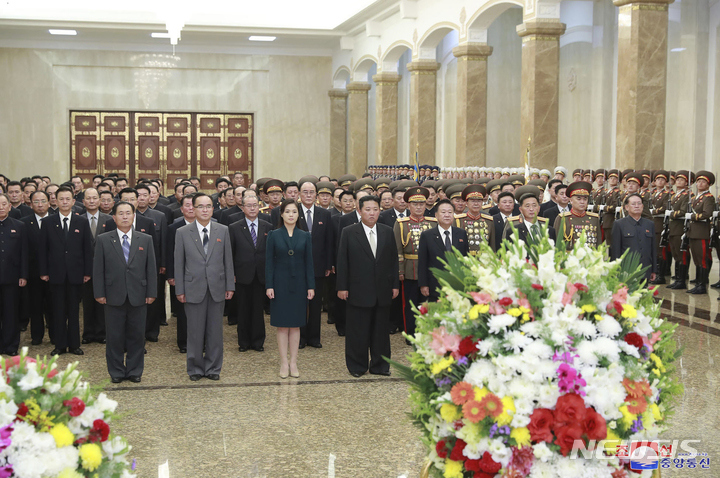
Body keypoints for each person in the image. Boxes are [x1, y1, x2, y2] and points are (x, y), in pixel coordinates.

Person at [93, 201, 157, 383]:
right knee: (114, 336)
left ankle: (135, 370)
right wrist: (99, 292)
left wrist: (152, 292)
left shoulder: (145, 239)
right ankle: (116, 371)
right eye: (120, 213)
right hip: (113, 295)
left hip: (139, 294)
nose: (124, 216)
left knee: (137, 335)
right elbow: (98, 269)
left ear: (134, 216)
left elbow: (151, 268)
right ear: (114, 217)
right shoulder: (104, 239)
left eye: (128, 213)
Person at [336, 195, 399, 377]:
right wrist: (342, 287)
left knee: (380, 332)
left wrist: (394, 284)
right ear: (359, 211)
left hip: (382, 289)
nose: (372, 213)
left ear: (380, 210)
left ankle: (380, 365)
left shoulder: (387, 231)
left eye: (375, 209)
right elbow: (343, 261)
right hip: (357, 290)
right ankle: (357, 366)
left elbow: (393, 261)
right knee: (358, 331)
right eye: (368, 210)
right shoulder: (349, 232)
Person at [174, 193, 235, 381]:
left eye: (208, 206)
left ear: (213, 208)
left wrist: (230, 285)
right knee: (195, 332)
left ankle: (213, 368)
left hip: (217, 286)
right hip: (193, 288)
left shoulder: (222, 230)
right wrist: (180, 290)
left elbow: (228, 260)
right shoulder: (183, 232)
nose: (205, 210)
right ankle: (195, 369)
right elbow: (178, 263)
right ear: (192, 208)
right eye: (200, 206)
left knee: (215, 332)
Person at [39, 185, 93, 356]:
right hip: (55, 274)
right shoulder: (48, 222)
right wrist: (44, 271)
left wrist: (87, 272)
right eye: (60, 199)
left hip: (76, 274)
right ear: (55, 200)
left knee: (74, 311)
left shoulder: (81, 222)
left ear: (73, 201)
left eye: (67, 199)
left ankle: (74, 345)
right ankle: (60, 345)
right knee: (58, 311)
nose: (64, 202)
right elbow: (42, 249)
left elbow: (88, 249)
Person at [265, 199, 315, 379]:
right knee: (281, 326)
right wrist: (269, 285)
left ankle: (293, 362)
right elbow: (269, 263)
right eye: (287, 212)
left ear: (298, 215)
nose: (291, 215)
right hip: (279, 284)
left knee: (295, 326)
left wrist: (311, 286)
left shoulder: (305, 235)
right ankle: (283, 363)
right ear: (282, 214)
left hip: (299, 285)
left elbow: (309, 263)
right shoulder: (274, 235)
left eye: (294, 212)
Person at [229, 193, 272, 352]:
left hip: (261, 275)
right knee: (243, 310)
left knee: (258, 310)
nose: (253, 208)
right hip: (242, 275)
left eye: (255, 205)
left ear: (259, 206)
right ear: (242, 207)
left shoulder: (268, 226)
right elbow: (230, 253)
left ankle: (258, 341)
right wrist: (231, 274)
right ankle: (244, 342)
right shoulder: (234, 227)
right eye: (249, 205)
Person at [394, 187, 436, 341]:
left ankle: (428, 332)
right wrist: (400, 270)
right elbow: (397, 249)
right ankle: (411, 333)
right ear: (408, 206)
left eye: (422, 204)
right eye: (415, 204)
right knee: (410, 304)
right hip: (410, 268)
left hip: (429, 269)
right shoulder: (401, 223)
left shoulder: (433, 223)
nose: (418, 207)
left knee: (429, 302)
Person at [418, 199, 468, 302]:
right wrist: (423, 284)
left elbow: (465, 259)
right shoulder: (427, 235)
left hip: (457, 283)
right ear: (436, 215)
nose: (447, 215)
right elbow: (422, 262)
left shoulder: (461, 233)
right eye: (443, 212)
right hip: (435, 284)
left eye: (450, 212)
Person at [20, 190, 51, 345]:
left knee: (53, 306)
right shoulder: (24, 223)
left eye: (43, 201)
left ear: (49, 202)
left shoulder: (55, 220)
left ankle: (55, 335)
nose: (40, 205)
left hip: (53, 272)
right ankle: (37, 336)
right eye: (36, 202)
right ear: (31, 204)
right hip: (33, 272)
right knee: (35, 306)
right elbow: (23, 250)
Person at [81, 188, 111, 344]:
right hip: (85, 268)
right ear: (83, 201)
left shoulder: (109, 220)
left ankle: (101, 332)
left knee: (102, 301)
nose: (92, 201)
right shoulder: (77, 219)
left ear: (99, 200)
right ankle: (88, 333)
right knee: (87, 302)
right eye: (88, 198)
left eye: (94, 198)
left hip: (105, 268)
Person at [166, 194, 195, 353]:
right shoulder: (174, 228)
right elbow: (170, 253)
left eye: (193, 205)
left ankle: (201, 341)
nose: (191, 208)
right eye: (187, 205)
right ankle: (183, 342)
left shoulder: (209, 226)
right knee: (183, 312)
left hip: (201, 276)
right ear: (182, 209)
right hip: (181, 276)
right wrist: (171, 275)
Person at [0, 193, 28, 356]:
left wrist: (23, 275)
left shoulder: (19, 225)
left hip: (12, 277)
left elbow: (24, 253)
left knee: (11, 313)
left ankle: (11, 346)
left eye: (4, 204)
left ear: (10, 206)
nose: (1, 207)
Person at [611, 193, 657, 283]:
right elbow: (615, 250)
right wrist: (615, 270)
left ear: (643, 206)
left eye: (639, 203)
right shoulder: (619, 224)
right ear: (627, 207)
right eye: (633, 204)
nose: (637, 206)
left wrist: (653, 270)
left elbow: (653, 249)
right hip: (626, 271)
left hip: (645, 270)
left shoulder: (649, 224)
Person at [686, 171, 716, 295]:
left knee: (702, 259)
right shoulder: (694, 198)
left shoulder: (709, 198)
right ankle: (698, 283)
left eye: (703, 182)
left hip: (702, 232)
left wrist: (692, 216)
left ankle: (702, 285)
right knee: (697, 259)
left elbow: (706, 214)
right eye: (698, 181)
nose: (700, 183)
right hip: (692, 232)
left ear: (708, 185)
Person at [554, 181, 602, 250]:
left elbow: (598, 244)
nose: (582, 202)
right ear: (571, 200)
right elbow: (557, 245)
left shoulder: (594, 218)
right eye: (578, 198)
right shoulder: (563, 218)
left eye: (585, 198)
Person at [666, 171, 693, 290]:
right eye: (677, 180)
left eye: (681, 180)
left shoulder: (686, 196)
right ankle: (677, 278)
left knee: (681, 254)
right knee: (675, 254)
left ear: (687, 183)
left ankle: (681, 280)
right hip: (673, 228)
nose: (678, 182)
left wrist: (671, 214)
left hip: (679, 228)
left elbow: (682, 211)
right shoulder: (675, 195)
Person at [454, 185, 495, 254]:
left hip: (484, 259)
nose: (476, 204)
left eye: (479, 201)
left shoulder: (489, 220)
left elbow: (492, 244)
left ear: (482, 203)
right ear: (467, 203)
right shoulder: (458, 220)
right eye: (473, 201)